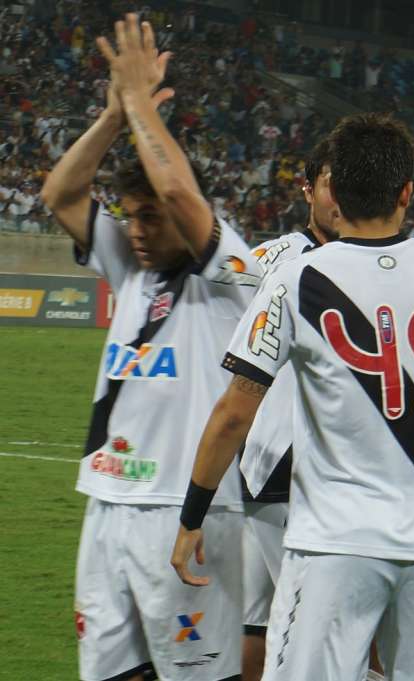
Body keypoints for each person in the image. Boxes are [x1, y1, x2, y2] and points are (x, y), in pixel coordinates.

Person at [170, 113, 414, 681]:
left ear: (335, 194)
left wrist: (191, 519)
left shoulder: (299, 277)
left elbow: (235, 411)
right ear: (406, 193)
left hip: (335, 543)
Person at [42, 14, 259, 681]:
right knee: (111, 670)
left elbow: (175, 188)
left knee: (196, 673)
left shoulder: (234, 275)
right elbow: (60, 193)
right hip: (107, 499)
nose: (136, 230)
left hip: (187, 508)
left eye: (150, 219)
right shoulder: (130, 268)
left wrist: (139, 103)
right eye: (129, 216)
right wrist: (112, 116)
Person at [237, 137, 341, 680]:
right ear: (307, 190)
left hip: (296, 472)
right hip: (280, 465)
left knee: (271, 625)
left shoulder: (374, 263)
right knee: (301, 628)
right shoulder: (272, 258)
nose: (340, 193)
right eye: (329, 182)